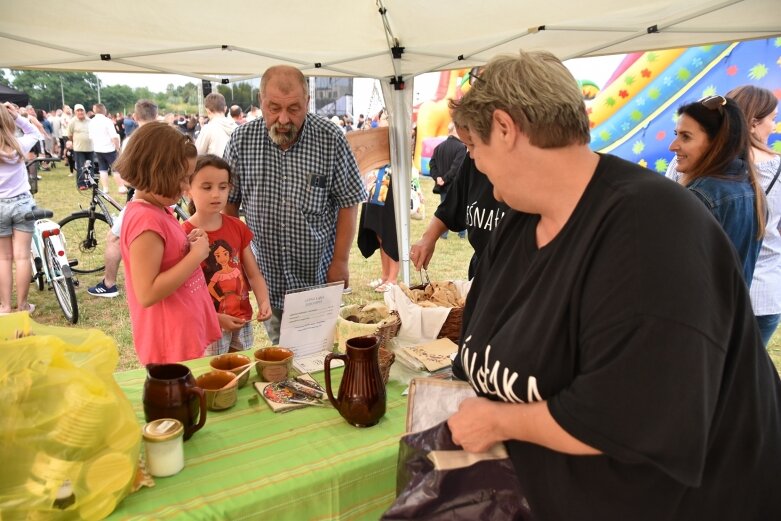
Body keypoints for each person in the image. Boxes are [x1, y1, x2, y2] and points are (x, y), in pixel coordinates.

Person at [444, 50, 781, 520]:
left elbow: (636, 419)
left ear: (505, 127)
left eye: (474, 148)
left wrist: (501, 419)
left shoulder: (652, 229)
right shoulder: (521, 219)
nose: (475, 165)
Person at [224, 65, 366, 344]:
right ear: (261, 100)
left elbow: (349, 202)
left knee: (318, 351)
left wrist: (340, 261)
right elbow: (229, 205)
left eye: (294, 109)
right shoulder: (241, 141)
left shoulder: (330, 138)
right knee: (282, 351)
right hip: (268, 275)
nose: (284, 119)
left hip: (317, 275)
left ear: (308, 102)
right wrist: (236, 259)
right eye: (274, 108)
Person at [116, 122, 220, 365]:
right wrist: (196, 255)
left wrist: (189, 243)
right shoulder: (146, 221)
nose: (186, 188)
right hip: (170, 346)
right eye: (183, 179)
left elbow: (167, 257)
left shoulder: (158, 209)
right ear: (157, 172)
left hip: (181, 336)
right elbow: (148, 292)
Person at [668, 95, 765, 285]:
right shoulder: (751, 189)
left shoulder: (699, 197)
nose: (673, 146)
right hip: (733, 313)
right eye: (676, 134)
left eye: (686, 137)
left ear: (717, 143)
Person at [183, 154, 272, 354]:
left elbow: (253, 273)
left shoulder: (238, 227)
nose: (216, 194)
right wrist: (214, 318)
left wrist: (264, 300)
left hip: (241, 318)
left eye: (223, 187)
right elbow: (184, 293)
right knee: (213, 376)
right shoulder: (184, 235)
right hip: (207, 323)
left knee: (240, 371)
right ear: (188, 190)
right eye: (207, 187)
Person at [411, 135, 508, 279]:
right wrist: (428, 238)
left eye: (474, 144)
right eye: (467, 145)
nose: (471, 155)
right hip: (481, 272)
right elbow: (451, 206)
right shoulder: (472, 160)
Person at [88, 99, 158, 298]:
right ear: (156, 114)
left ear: (135, 117)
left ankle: (109, 284)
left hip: (144, 198)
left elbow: (126, 177)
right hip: (167, 197)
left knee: (114, 238)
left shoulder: (134, 140)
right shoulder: (169, 136)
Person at [729, 85, 781, 346]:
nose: (773, 126)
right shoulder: (778, 167)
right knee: (747, 378)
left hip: (709, 291)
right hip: (763, 294)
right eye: (773, 118)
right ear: (752, 123)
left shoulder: (692, 160)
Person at [0, 102, 42, 315]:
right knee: (22, 257)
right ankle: (23, 305)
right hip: (21, 203)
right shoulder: (18, 145)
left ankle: (6, 306)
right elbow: (35, 132)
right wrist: (17, 116)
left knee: (3, 258)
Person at [357, 165, 399, 292]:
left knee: (391, 234)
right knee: (379, 234)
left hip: (391, 189)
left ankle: (393, 279)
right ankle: (385, 276)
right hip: (376, 190)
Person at [429, 123, 467, 239]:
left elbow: (432, 164)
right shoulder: (461, 147)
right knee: (461, 208)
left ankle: (443, 234)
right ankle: (461, 234)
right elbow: (456, 168)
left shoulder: (439, 147)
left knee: (443, 209)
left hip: (443, 185)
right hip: (455, 185)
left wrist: (438, 178)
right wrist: (444, 179)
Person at [89, 103, 123, 193]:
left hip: (98, 148)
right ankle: (121, 187)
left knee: (102, 169)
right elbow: (114, 137)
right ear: (104, 110)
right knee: (116, 168)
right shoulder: (107, 121)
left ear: (94, 111)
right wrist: (117, 147)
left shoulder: (91, 122)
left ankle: (105, 188)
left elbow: (91, 136)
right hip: (109, 148)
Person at [66, 103, 94, 189]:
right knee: (81, 166)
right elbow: (69, 135)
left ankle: (91, 182)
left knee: (90, 166)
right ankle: (81, 184)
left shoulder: (90, 121)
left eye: (81, 110)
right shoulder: (72, 122)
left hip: (90, 147)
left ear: (84, 111)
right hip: (78, 148)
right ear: (75, 112)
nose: (80, 112)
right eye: (78, 111)